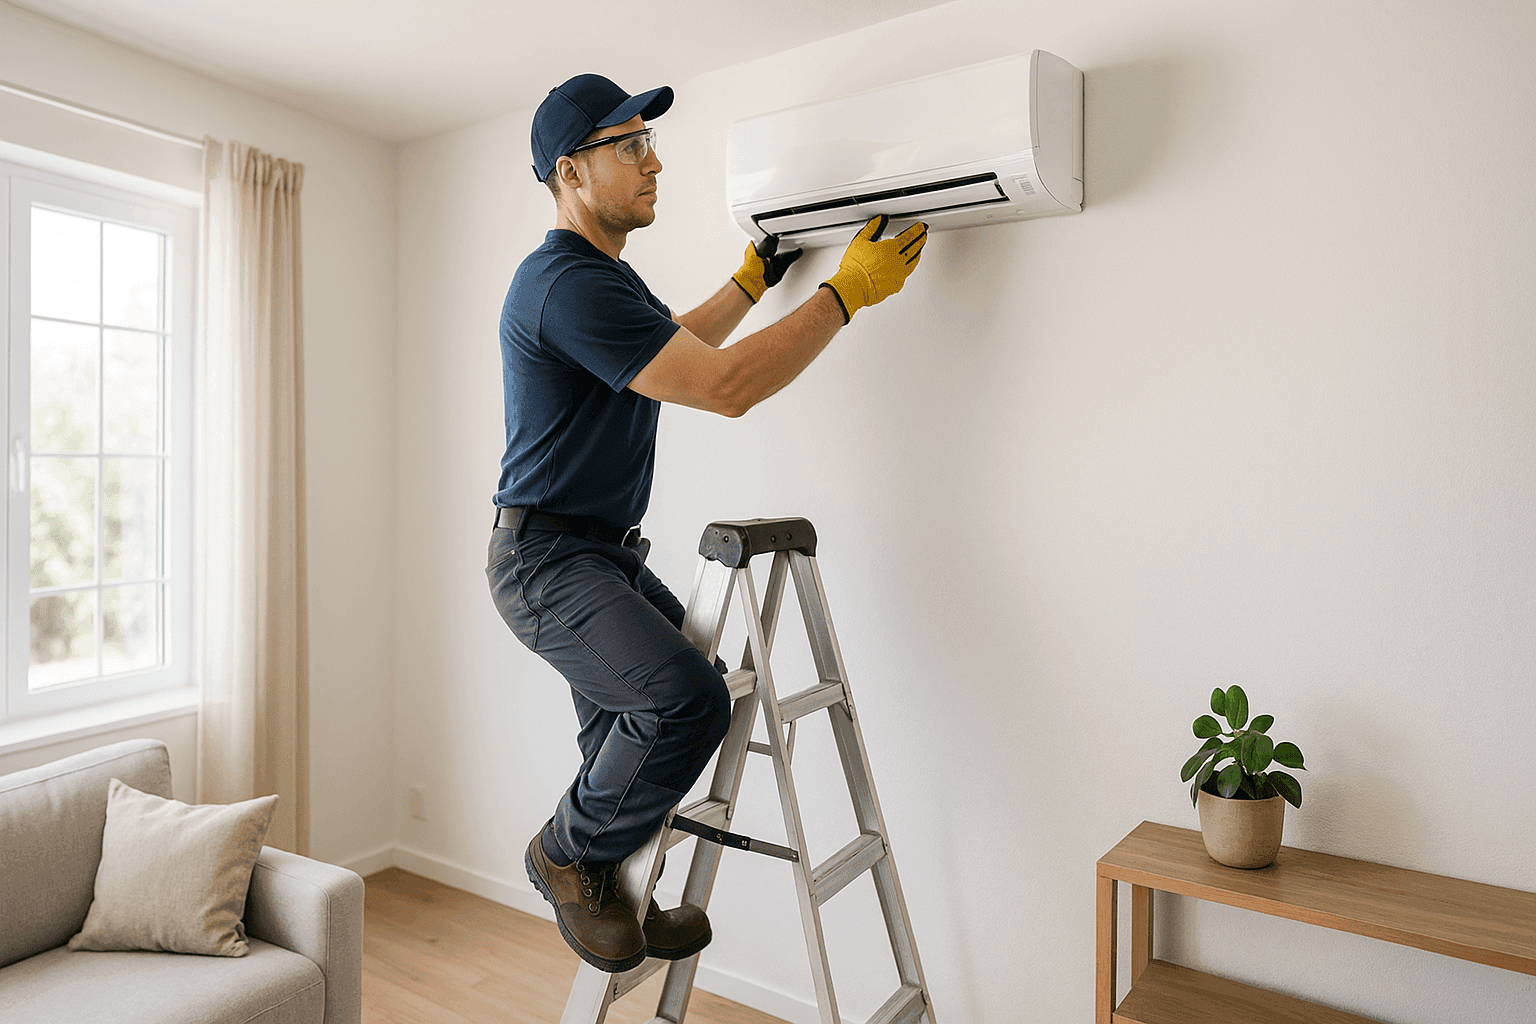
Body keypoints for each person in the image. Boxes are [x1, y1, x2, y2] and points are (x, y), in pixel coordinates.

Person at [486, 73, 928, 974]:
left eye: (650, 140)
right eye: (630, 146)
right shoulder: (562, 284)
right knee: (681, 699)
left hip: (594, 554)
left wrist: (753, 278)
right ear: (570, 171)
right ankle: (566, 854)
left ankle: (608, 877)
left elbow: (683, 343)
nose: (655, 160)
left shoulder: (601, 281)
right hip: (546, 560)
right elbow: (722, 388)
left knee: (685, 697)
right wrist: (843, 294)